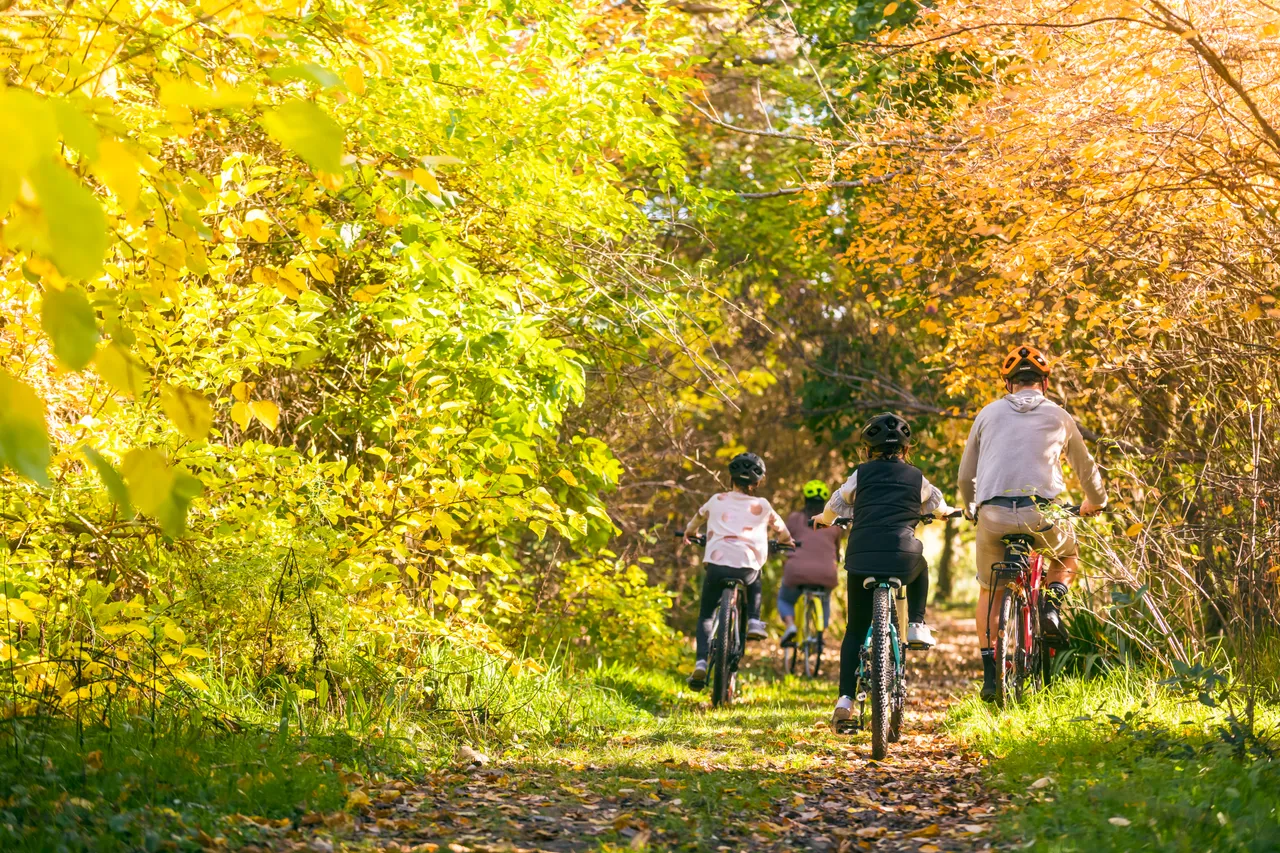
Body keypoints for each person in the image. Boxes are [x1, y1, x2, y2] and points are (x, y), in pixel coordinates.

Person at [957, 344, 1108, 702]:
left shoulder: (987, 414)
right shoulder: (1059, 415)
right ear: (1045, 382)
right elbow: (1086, 469)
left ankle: (990, 673)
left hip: (993, 515)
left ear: (1008, 383)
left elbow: (966, 476)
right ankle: (1052, 604)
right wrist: (1095, 503)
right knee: (1066, 555)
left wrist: (969, 506)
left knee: (988, 589)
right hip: (1043, 514)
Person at [812, 413, 955, 729]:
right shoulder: (917, 477)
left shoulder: (860, 476)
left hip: (862, 555)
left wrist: (823, 519)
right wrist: (945, 514)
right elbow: (938, 505)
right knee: (922, 566)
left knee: (855, 628)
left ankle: (845, 700)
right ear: (906, 450)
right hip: (903, 555)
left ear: (866, 450)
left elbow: (835, 505)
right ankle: (917, 623)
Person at [682, 451, 794, 690]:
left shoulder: (716, 500)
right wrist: (788, 540)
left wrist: (690, 534)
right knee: (755, 576)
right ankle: (753, 620)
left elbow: (695, 522)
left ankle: (701, 660)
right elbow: (781, 530)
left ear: (731, 478)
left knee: (706, 615)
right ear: (757, 482)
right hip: (747, 566)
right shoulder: (762, 505)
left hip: (716, 565)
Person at [778, 480, 844, 648]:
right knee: (825, 598)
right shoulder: (834, 522)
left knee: (785, 599)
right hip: (826, 573)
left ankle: (791, 625)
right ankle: (820, 632)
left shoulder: (794, 519)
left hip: (796, 572)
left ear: (805, 500)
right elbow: (837, 552)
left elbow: (783, 541)